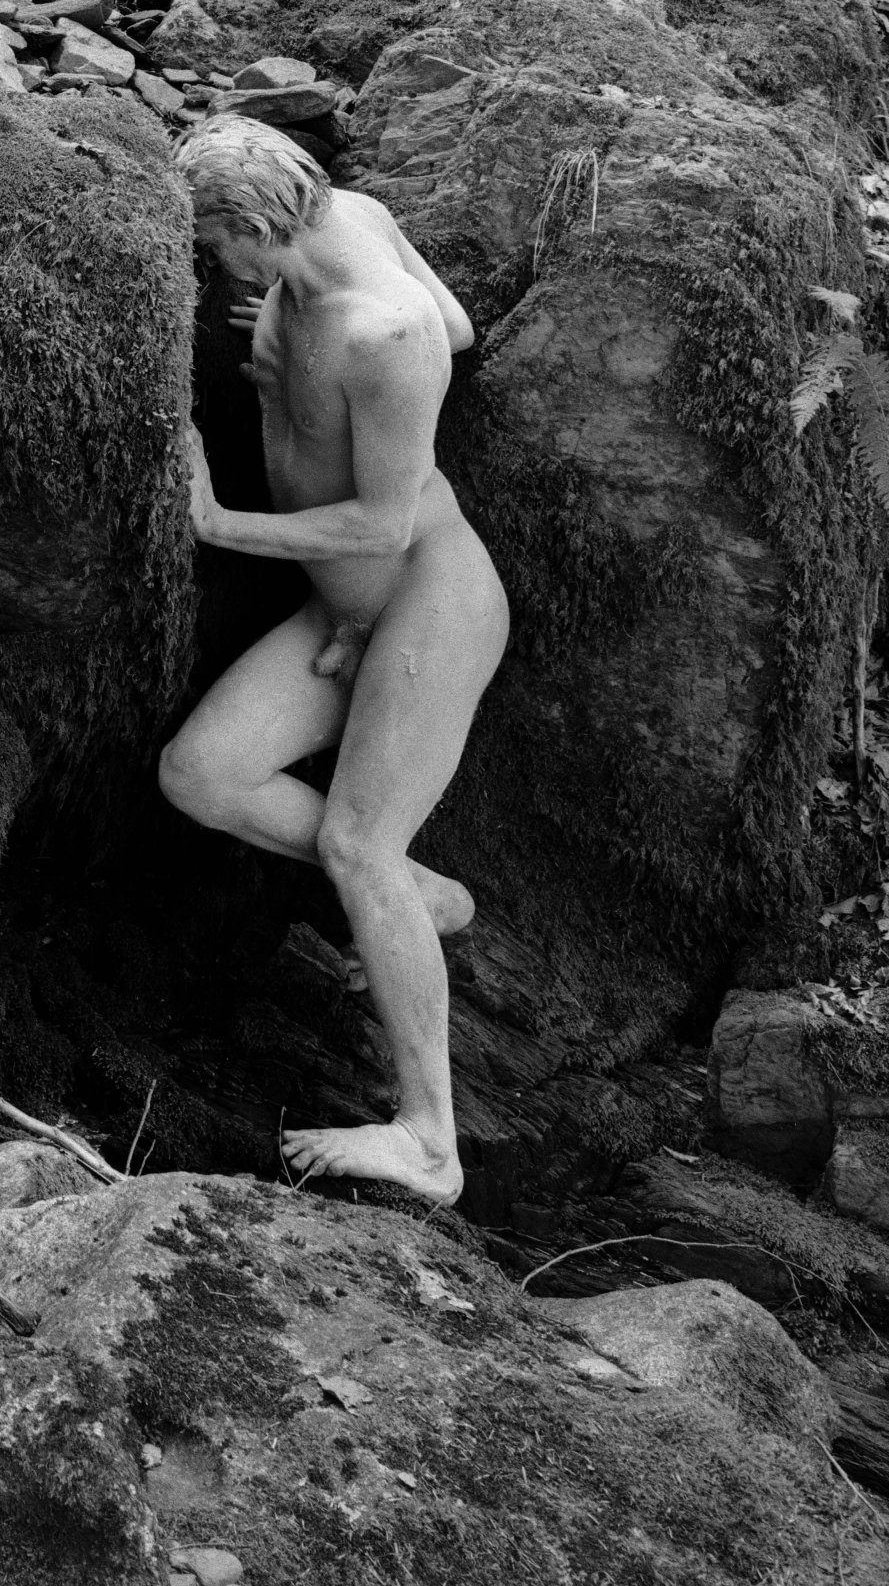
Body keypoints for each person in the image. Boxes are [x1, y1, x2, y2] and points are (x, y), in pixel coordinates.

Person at [156, 112, 509, 1207]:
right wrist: (281, 319)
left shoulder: (378, 332)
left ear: (252, 224)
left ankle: (430, 1143)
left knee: (357, 845)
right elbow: (460, 325)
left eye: (211, 245)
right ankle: (421, 896)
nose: (208, 264)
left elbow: (382, 525)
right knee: (200, 775)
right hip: (340, 610)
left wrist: (217, 525)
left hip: (424, 603)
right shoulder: (346, 227)